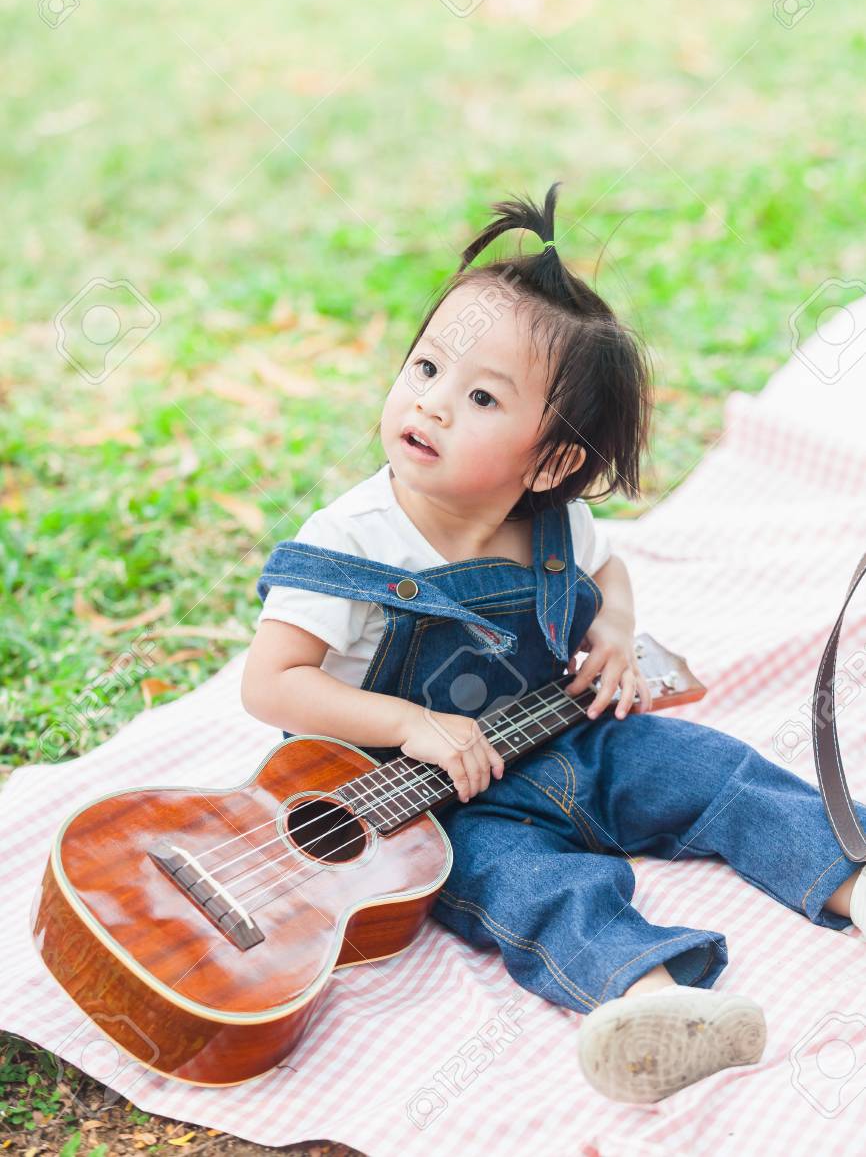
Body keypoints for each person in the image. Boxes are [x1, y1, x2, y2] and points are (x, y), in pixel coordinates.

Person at [240, 183, 866, 1105]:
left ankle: (854, 884)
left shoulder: (553, 523)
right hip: (422, 802)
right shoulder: (351, 538)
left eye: (482, 395)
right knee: (537, 888)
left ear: (551, 463)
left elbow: (607, 573)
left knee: (715, 771)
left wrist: (613, 631)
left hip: (562, 735)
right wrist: (411, 724)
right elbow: (273, 685)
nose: (436, 404)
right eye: (425, 370)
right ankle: (653, 1010)